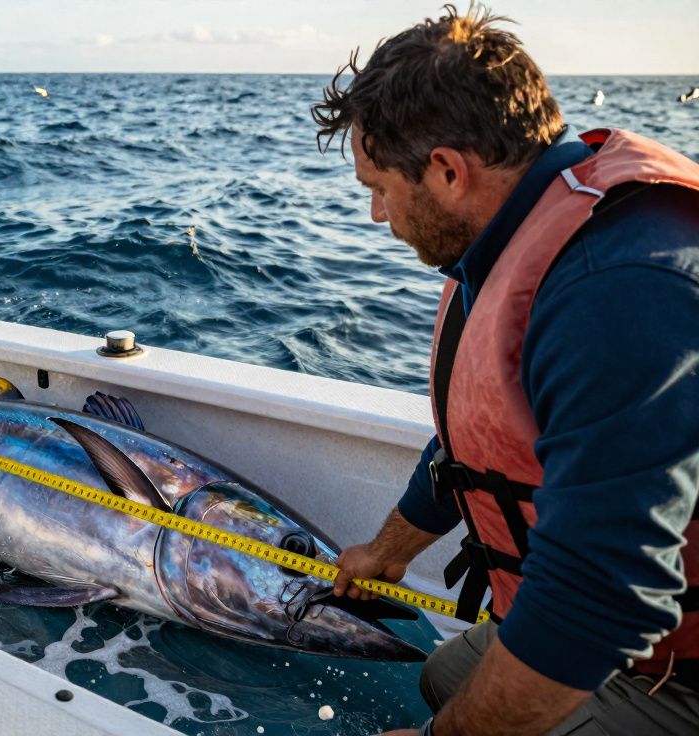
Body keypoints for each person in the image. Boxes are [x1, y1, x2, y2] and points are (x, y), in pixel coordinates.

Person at [310, 6, 699, 735]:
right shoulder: (522, 229)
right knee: (442, 676)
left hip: (675, 670)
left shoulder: (616, 286)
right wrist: (390, 550)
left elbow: (602, 599)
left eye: (380, 189)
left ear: (449, 171)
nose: (374, 215)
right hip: (625, 634)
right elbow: (478, 438)